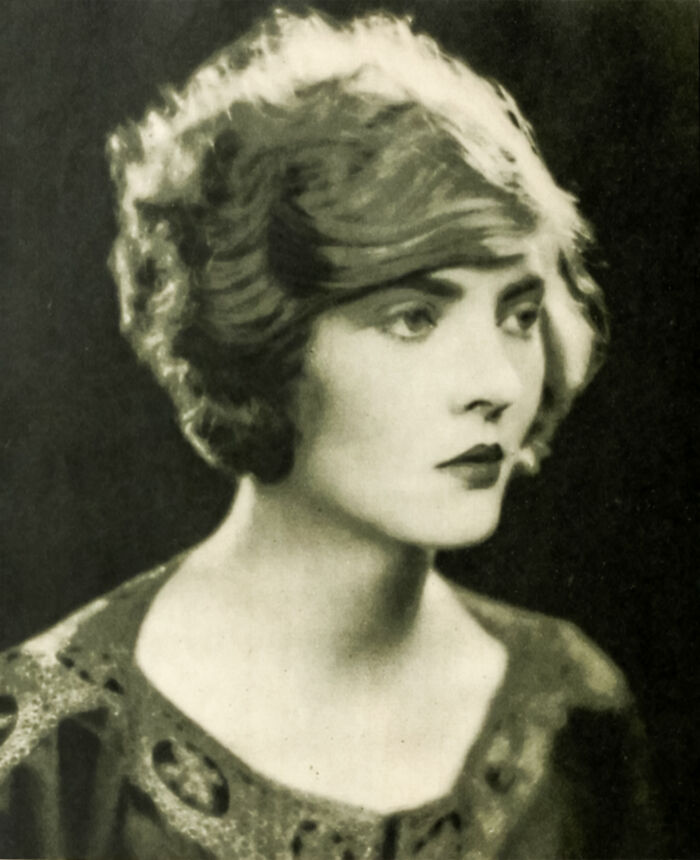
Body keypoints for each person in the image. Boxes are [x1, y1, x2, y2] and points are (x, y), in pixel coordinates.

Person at [0, 8, 658, 859]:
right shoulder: (53, 756)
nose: (497, 384)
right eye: (414, 318)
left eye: (520, 312)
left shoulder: (574, 717)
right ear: (265, 343)